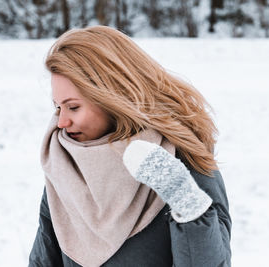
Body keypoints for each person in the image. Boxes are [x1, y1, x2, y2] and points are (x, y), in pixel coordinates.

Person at [29, 25, 232, 267]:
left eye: (73, 107)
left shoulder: (178, 158)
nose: (62, 122)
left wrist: (185, 201)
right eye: (58, 107)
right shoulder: (65, 164)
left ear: (111, 96)